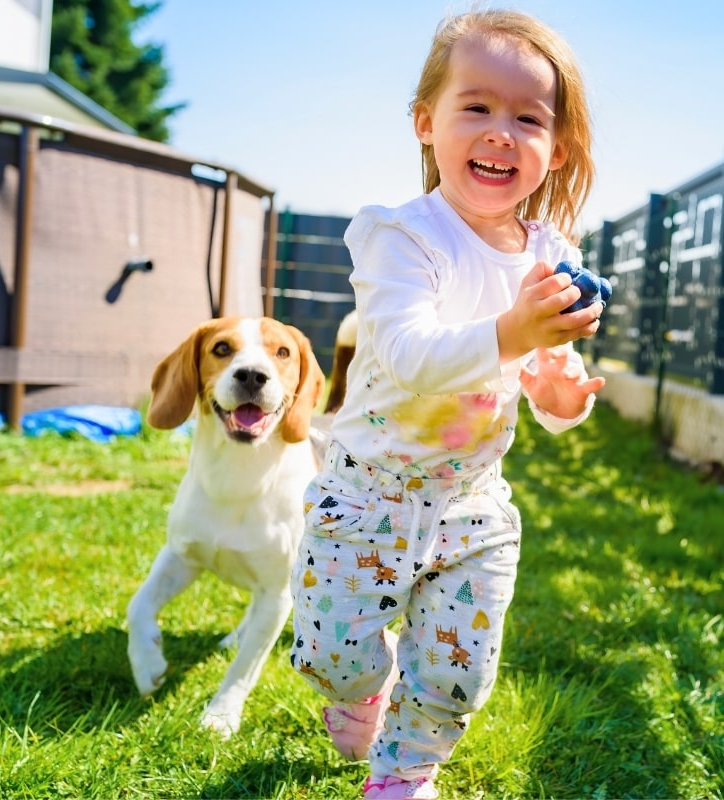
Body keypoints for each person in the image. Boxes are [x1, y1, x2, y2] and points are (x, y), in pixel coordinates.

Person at [290, 8, 606, 800]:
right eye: (477, 107)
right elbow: (407, 353)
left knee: (459, 668)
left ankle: (405, 771)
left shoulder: (551, 256)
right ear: (427, 123)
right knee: (336, 656)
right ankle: (362, 690)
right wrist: (513, 330)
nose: (501, 132)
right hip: (367, 495)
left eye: (527, 118)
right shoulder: (400, 235)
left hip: (470, 505)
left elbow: (547, 373)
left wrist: (560, 395)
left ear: (556, 149)